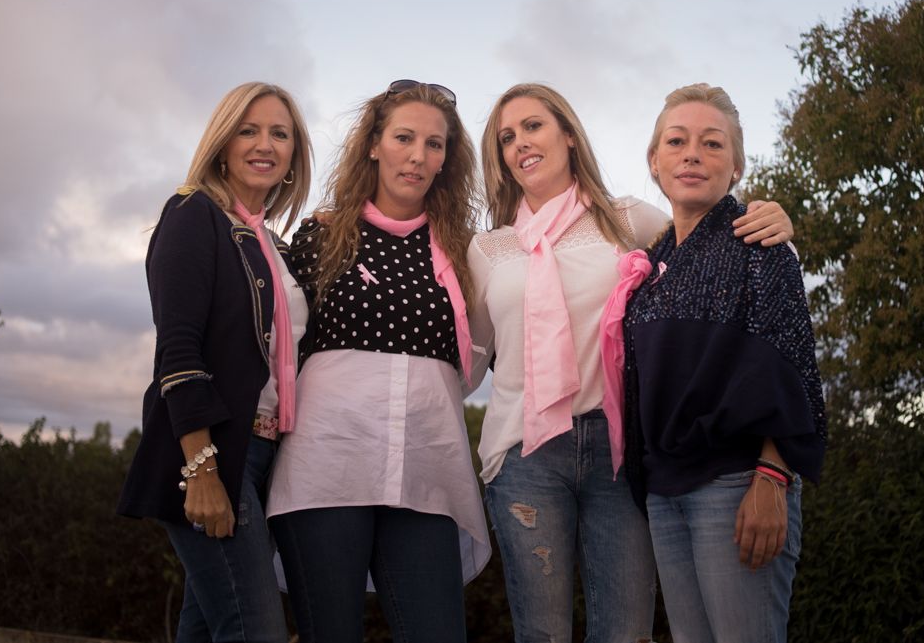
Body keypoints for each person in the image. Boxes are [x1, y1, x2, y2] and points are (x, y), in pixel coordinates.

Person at [466, 83, 794, 643]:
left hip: (618, 453)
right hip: (524, 453)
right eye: (506, 136)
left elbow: (710, 244)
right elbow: (466, 359)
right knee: (541, 633)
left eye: (534, 126)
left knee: (626, 634)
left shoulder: (627, 220)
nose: (521, 142)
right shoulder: (488, 249)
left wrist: (775, 224)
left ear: (568, 134)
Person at [267, 80, 491, 643]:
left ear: (447, 159)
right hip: (326, 469)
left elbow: (495, 341)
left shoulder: (466, 253)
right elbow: (274, 341)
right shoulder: (320, 237)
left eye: (434, 144)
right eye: (404, 138)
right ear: (373, 144)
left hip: (426, 474)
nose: (418, 156)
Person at [619, 83, 827, 643]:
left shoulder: (758, 244)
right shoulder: (654, 262)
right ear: (655, 162)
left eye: (712, 144)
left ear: (735, 167)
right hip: (666, 492)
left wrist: (772, 474)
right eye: (677, 141)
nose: (692, 154)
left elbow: (792, 365)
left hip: (737, 484)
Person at [117, 82, 313, 643]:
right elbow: (178, 350)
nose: (265, 144)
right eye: (248, 130)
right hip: (216, 453)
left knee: (205, 629)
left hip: (267, 455)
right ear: (222, 144)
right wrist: (201, 470)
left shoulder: (271, 245)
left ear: (294, 155)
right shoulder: (191, 214)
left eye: (280, 133)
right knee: (256, 632)